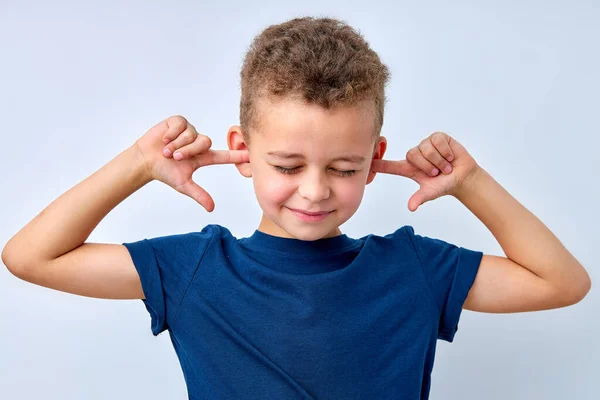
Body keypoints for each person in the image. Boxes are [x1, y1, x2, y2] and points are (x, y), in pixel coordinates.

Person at [1, 16, 591, 400]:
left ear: (375, 157)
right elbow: (31, 257)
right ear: (242, 151)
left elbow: (562, 283)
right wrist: (135, 164)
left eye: (343, 168)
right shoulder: (197, 268)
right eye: (287, 166)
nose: (314, 191)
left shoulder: (413, 271)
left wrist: (471, 182)